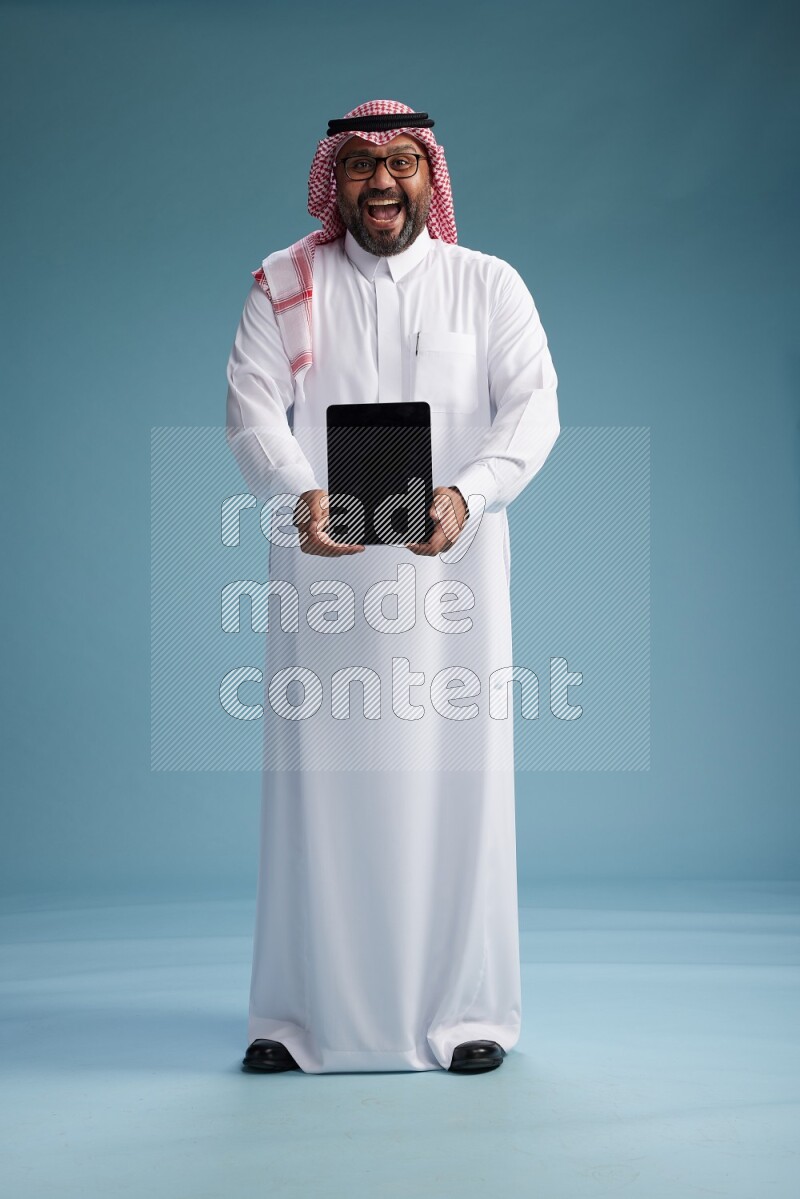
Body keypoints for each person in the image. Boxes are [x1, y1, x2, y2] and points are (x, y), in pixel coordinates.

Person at [225, 99, 560, 1075]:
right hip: (323, 590)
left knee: (457, 791)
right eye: (363, 163)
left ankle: (466, 1012)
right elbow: (251, 407)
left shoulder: (486, 286)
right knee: (316, 795)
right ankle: (295, 1017)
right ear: (335, 176)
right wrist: (297, 493)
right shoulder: (285, 285)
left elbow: (533, 409)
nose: (381, 181)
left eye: (402, 162)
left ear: (429, 176)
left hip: (450, 593)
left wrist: (470, 492)